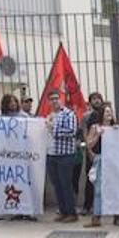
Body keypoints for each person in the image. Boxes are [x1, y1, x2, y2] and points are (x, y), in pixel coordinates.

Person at [45, 90, 80, 223]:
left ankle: (72, 213)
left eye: (56, 98)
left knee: (66, 184)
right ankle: (63, 211)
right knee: (57, 185)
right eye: (51, 99)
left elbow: (72, 131)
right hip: (51, 154)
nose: (54, 101)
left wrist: (52, 127)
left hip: (65, 154)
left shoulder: (68, 114)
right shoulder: (48, 115)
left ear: (61, 99)